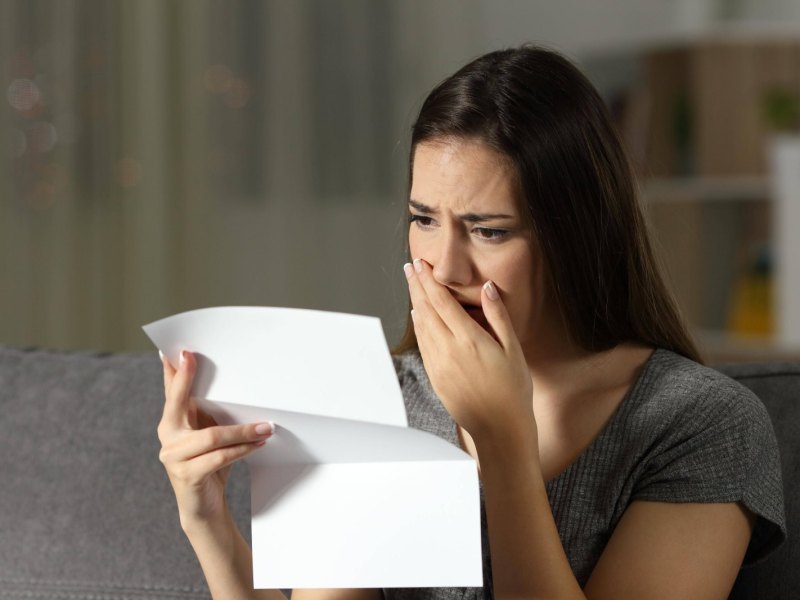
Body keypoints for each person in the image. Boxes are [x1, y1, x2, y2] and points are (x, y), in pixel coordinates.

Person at [157, 45, 785, 599]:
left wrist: (503, 439)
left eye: (489, 230)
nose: (445, 264)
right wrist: (207, 521)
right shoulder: (377, 396)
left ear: (578, 236)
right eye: (424, 219)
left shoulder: (700, 424)